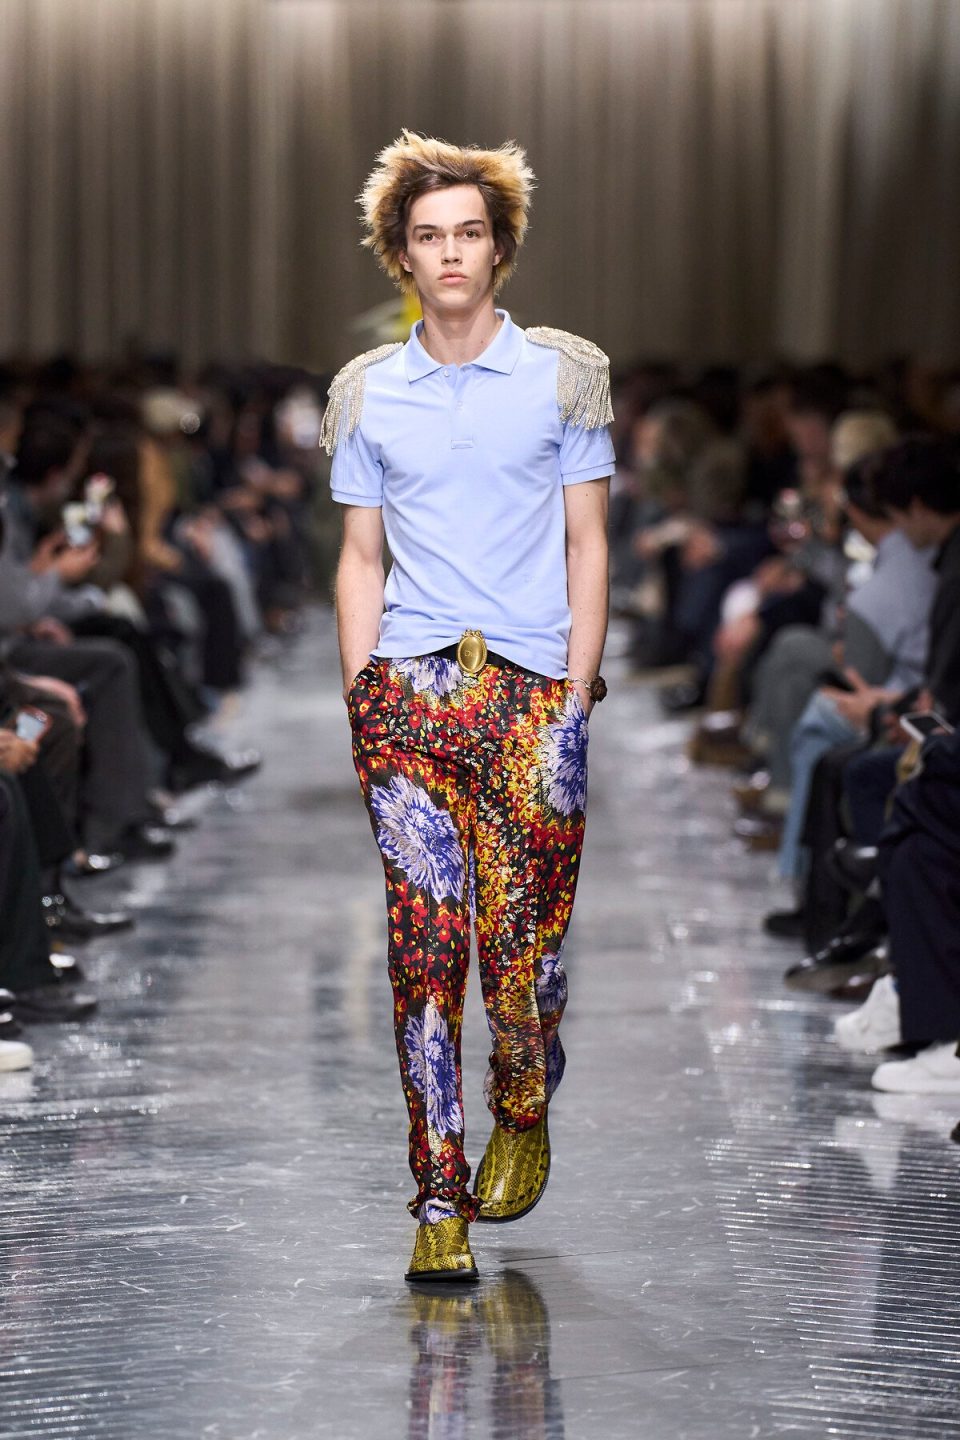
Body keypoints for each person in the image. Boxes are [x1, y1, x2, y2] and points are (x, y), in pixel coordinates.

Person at [325, 132, 614, 1283]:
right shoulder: (368, 392)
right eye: (429, 236)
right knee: (425, 946)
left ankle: (524, 1099)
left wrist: (575, 695)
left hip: (531, 698)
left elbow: (589, 542)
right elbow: (361, 555)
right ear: (400, 255)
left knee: (523, 955)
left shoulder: (563, 376)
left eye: (470, 234)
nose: (450, 253)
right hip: (411, 701)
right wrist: (363, 692)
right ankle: (438, 1195)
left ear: (501, 248)